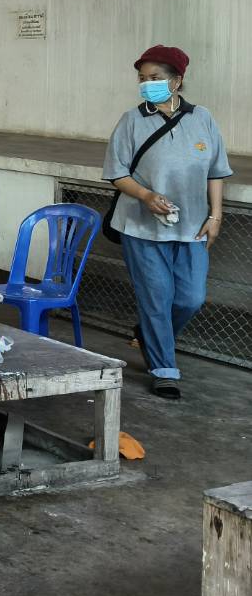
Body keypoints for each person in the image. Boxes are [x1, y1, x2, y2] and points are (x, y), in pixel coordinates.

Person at [104, 45, 230, 400]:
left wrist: (215, 216)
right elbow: (116, 173)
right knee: (156, 297)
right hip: (141, 226)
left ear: (177, 80)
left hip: (192, 226)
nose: (147, 84)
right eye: (142, 78)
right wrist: (146, 196)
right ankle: (164, 369)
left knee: (191, 298)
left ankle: (149, 336)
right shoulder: (131, 121)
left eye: (155, 77)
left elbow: (216, 171)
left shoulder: (202, 118)